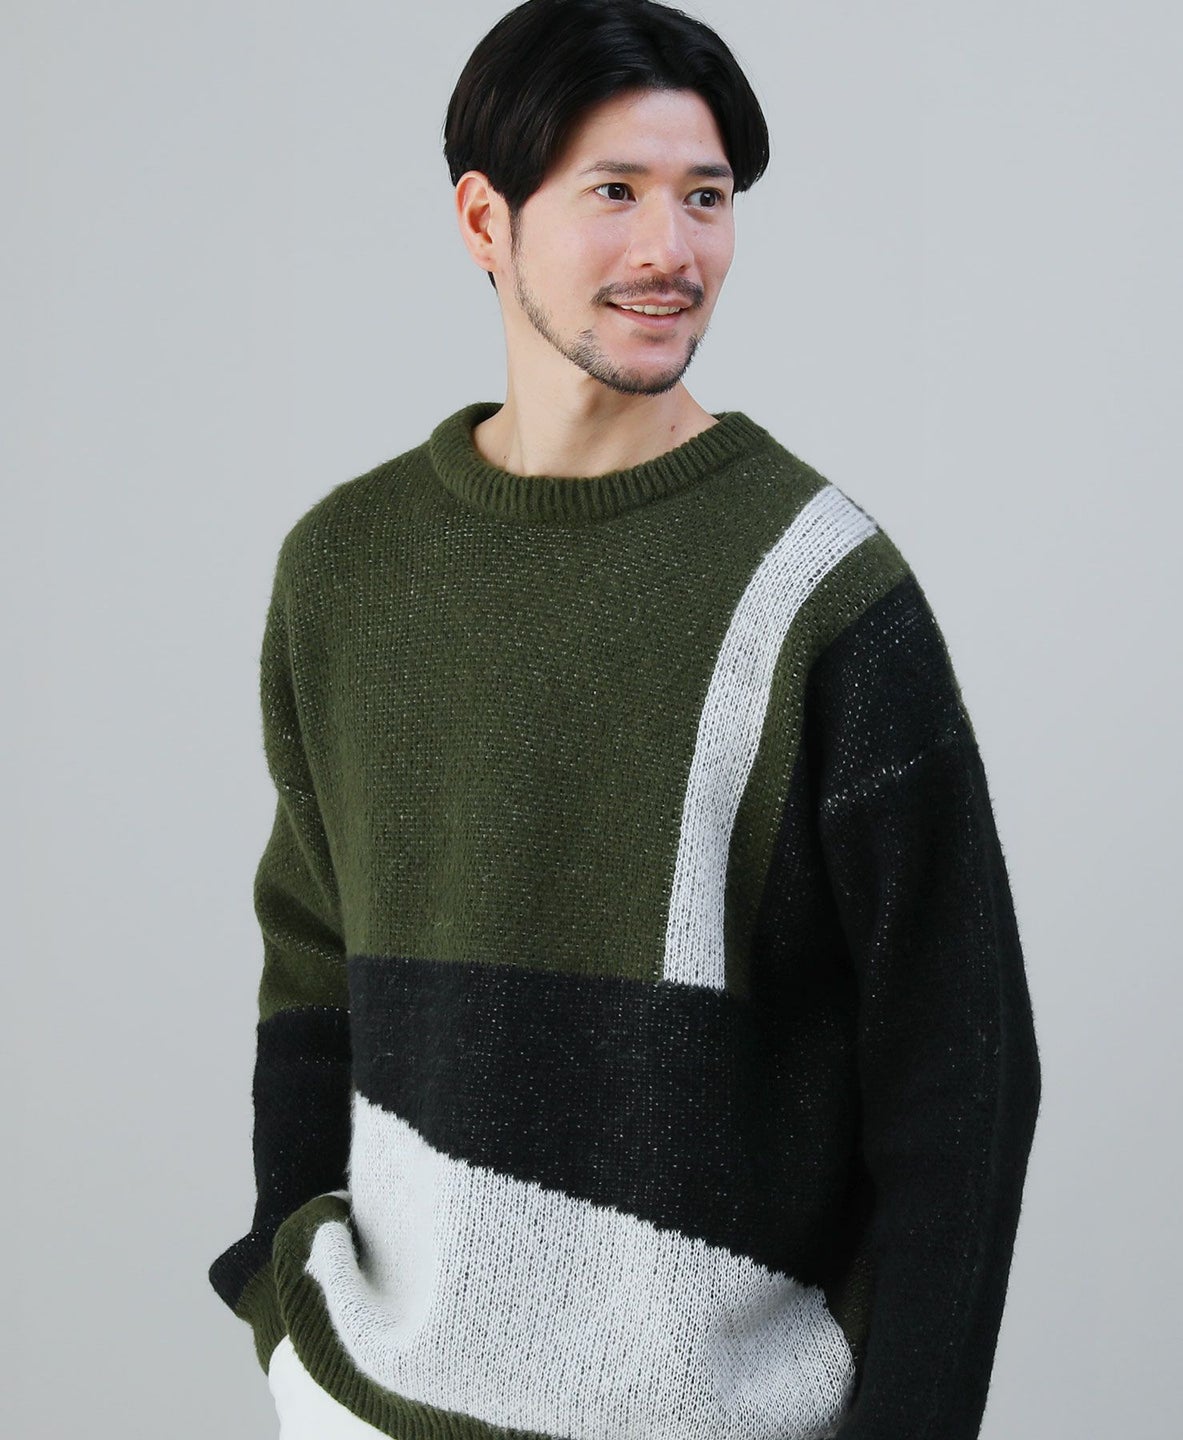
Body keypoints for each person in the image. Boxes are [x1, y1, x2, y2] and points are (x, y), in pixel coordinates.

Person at [208, 2, 1042, 1437]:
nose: (673, 251)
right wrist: (290, 1315)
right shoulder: (347, 568)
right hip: (378, 1408)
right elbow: (312, 969)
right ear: (485, 221)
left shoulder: (819, 590)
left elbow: (962, 1074)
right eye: (616, 192)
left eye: (705, 198)